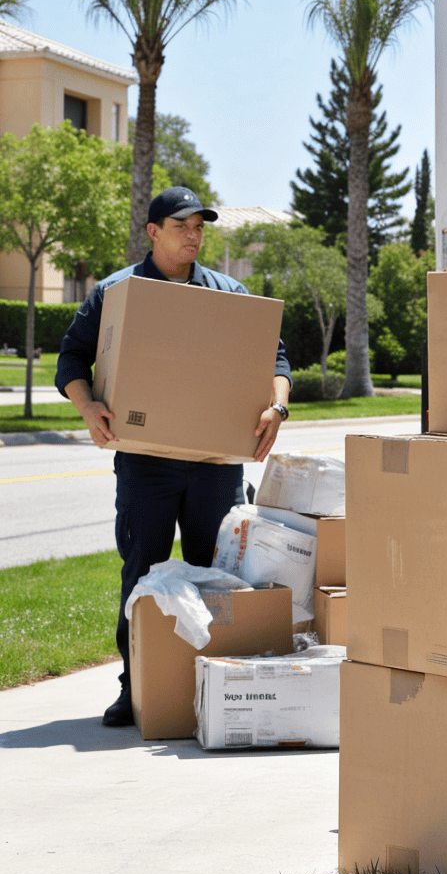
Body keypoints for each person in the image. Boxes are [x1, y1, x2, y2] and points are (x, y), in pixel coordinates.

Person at [55, 187, 292, 727]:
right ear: (153, 231)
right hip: (147, 463)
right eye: (182, 224)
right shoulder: (118, 292)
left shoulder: (229, 293)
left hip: (215, 464)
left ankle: (215, 685)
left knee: (220, 575)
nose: (194, 233)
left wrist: (277, 407)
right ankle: (135, 686)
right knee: (142, 570)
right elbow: (70, 356)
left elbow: (274, 358)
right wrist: (88, 406)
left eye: (200, 225)